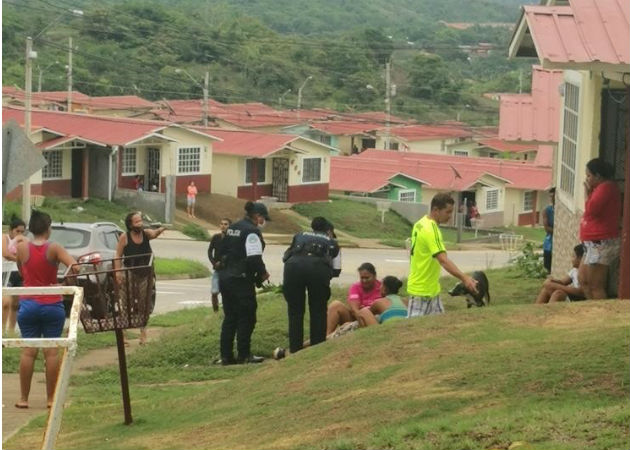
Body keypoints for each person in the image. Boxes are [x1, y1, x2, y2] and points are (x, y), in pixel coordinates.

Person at [14, 210, 78, 409]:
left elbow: (21, 271)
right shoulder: (54, 248)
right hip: (51, 305)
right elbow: (74, 267)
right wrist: (63, 280)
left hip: (28, 303)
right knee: (51, 353)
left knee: (28, 351)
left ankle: (24, 398)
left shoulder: (22, 248)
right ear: (48, 228)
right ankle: (51, 399)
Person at [216, 201, 270, 365]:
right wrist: (262, 273)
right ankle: (244, 354)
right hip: (240, 279)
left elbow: (220, 251)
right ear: (257, 216)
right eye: (263, 218)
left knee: (230, 316)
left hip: (225, 278)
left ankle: (226, 356)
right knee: (247, 316)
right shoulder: (251, 232)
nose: (263, 222)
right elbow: (254, 257)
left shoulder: (233, 227)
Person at [407, 192, 477, 317]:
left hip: (432, 291)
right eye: (448, 212)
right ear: (436, 210)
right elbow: (443, 261)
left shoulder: (420, 223)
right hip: (421, 291)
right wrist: (465, 278)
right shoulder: (432, 230)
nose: (450, 216)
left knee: (441, 330)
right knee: (413, 332)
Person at [281, 217, 340, 354]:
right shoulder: (332, 242)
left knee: (295, 312)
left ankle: (295, 350)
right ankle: (316, 349)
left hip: (292, 269)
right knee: (318, 311)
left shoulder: (299, 236)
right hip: (318, 271)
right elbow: (337, 270)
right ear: (328, 230)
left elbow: (286, 256)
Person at [114, 212, 166, 345]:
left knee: (144, 304)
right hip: (129, 272)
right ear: (130, 225)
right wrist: (118, 273)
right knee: (125, 303)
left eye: (140, 221)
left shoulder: (146, 234)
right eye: (137, 222)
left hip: (145, 274)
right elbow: (118, 256)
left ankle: (143, 334)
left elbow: (154, 234)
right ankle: (124, 335)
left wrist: (161, 229)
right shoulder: (124, 237)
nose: (140, 223)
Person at [578, 158, 621, 300]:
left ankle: (600, 315)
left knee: (595, 284)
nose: (587, 179)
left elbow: (591, 210)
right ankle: (591, 311)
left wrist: (586, 192)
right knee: (583, 280)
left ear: (598, 176)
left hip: (600, 242)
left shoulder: (606, 187)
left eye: (589, 175)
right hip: (591, 243)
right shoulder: (598, 189)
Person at [326, 262, 382, 335]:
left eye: (367, 278)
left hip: (376, 320)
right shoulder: (355, 287)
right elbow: (354, 309)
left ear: (374, 276)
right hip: (357, 320)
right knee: (335, 305)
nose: (364, 281)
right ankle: (327, 336)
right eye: (362, 278)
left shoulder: (382, 287)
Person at [3, 216, 26, 335]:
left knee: (16, 304)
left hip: (18, 272)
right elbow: (5, 253)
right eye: (17, 231)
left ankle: (11, 331)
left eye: (22, 231)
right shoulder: (4, 238)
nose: (20, 234)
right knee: (5, 302)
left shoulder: (24, 242)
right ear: (11, 230)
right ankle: (2, 330)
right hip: (5, 273)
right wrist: (19, 259)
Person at [207, 218, 231, 312]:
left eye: (226, 224)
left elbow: (231, 253)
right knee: (214, 291)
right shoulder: (216, 237)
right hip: (217, 269)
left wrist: (222, 262)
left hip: (227, 269)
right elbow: (210, 251)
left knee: (227, 293)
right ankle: (215, 310)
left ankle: (226, 310)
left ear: (229, 226)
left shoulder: (231, 239)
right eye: (221, 224)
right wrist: (213, 262)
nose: (223, 226)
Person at [542, 187, 555, 273]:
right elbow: (546, 228)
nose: (552, 199)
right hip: (549, 242)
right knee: (548, 266)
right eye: (551, 196)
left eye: (553, 196)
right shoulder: (547, 210)